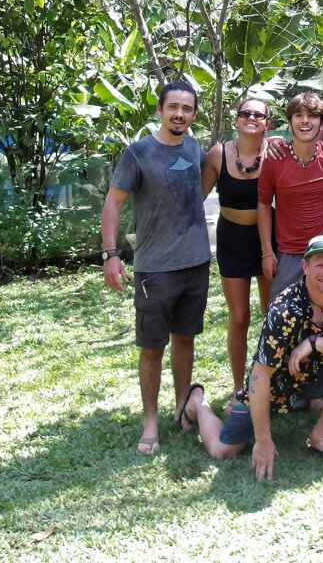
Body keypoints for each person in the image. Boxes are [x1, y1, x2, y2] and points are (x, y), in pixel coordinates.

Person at [180, 235, 323, 480]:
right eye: (319, 265)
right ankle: (198, 401)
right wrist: (263, 440)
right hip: (275, 387)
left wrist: (317, 343)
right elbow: (260, 376)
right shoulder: (285, 309)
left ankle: (320, 436)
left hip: (314, 377)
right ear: (305, 267)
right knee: (223, 450)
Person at [100, 81, 210, 456]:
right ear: (161, 110)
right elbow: (114, 202)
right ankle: (150, 420)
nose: (180, 114)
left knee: (185, 338)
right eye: (173, 107)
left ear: (194, 114)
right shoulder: (138, 153)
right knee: (151, 347)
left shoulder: (195, 148)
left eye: (187, 108)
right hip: (155, 269)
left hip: (196, 263)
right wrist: (111, 253)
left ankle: (182, 406)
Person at [201, 97, 272, 409]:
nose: (251, 118)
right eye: (246, 113)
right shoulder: (218, 153)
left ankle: (274, 379)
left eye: (259, 114)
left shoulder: (276, 150)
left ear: (267, 122)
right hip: (232, 238)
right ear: (237, 119)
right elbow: (196, 196)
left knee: (272, 314)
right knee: (239, 316)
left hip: (268, 238)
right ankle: (237, 386)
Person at [258, 93, 323, 300]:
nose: (305, 121)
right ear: (290, 122)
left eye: (313, 116)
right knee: (283, 320)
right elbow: (263, 204)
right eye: (298, 115)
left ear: (322, 122)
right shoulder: (274, 159)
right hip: (289, 253)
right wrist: (267, 252)